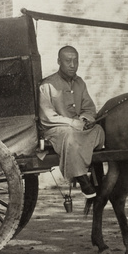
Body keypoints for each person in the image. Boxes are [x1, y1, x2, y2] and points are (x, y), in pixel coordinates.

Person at [38, 46, 105, 198]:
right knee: (70, 136)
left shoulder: (80, 83)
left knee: (99, 131)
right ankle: (82, 179)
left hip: (80, 128)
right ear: (58, 61)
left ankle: (93, 172)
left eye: (76, 61)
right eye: (68, 61)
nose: (72, 65)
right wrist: (74, 123)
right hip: (56, 129)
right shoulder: (47, 85)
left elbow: (89, 108)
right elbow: (48, 118)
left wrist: (84, 119)